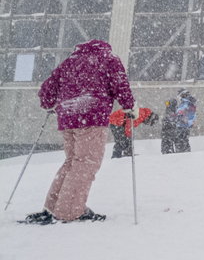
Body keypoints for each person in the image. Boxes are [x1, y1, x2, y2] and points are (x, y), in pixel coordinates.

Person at [25, 39, 136, 224]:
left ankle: (52, 207)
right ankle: (69, 212)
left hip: (67, 117)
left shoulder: (69, 61)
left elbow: (46, 91)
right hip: (91, 117)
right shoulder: (108, 59)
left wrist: (49, 105)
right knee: (85, 163)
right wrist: (129, 107)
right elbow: (120, 85)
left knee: (72, 162)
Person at [161, 88, 198, 153]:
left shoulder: (186, 103)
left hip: (182, 127)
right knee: (183, 144)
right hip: (183, 127)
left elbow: (180, 114)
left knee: (181, 146)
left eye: (180, 96)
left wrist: (171, 115)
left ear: (182, 95)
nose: (179, 98)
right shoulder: (189, 103)